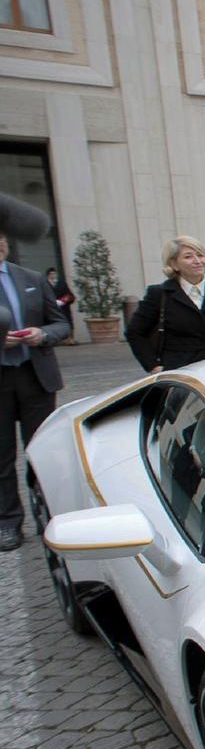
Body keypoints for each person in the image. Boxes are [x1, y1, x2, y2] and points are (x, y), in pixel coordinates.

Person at [0, 231, 69, 552]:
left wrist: (43, 333)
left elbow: (61, 324)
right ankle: (8, 523)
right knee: (2, 456)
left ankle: (49, 515)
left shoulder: (30, 279)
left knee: (41, 450)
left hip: (35, 378)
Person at [127, 236, 205, 372]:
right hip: (180, 373)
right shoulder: (159, 294)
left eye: (200, 255)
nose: (198, 261)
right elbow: (135, 332)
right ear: (174, 264)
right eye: (188, 257)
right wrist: (153, 366)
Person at [44, 267, 73, 341]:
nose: (53, 275)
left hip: (63, 308)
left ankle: (69, 339)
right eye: (51, 274)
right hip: (51, 308)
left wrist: (64, 301)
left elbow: (69, 295)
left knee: (67, 322)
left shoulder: (62, 283)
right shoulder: (44, 283)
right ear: (48, 275)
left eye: (54, 273)